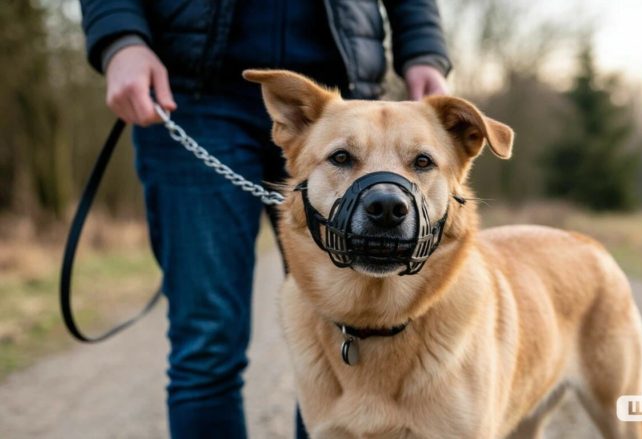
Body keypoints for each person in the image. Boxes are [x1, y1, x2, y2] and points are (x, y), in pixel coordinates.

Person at [79, 1, 452, 438]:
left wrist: (425, 49)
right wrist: (120, 38)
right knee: (206, 338)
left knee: (341, 337)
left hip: (346, 88)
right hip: (190, 90)